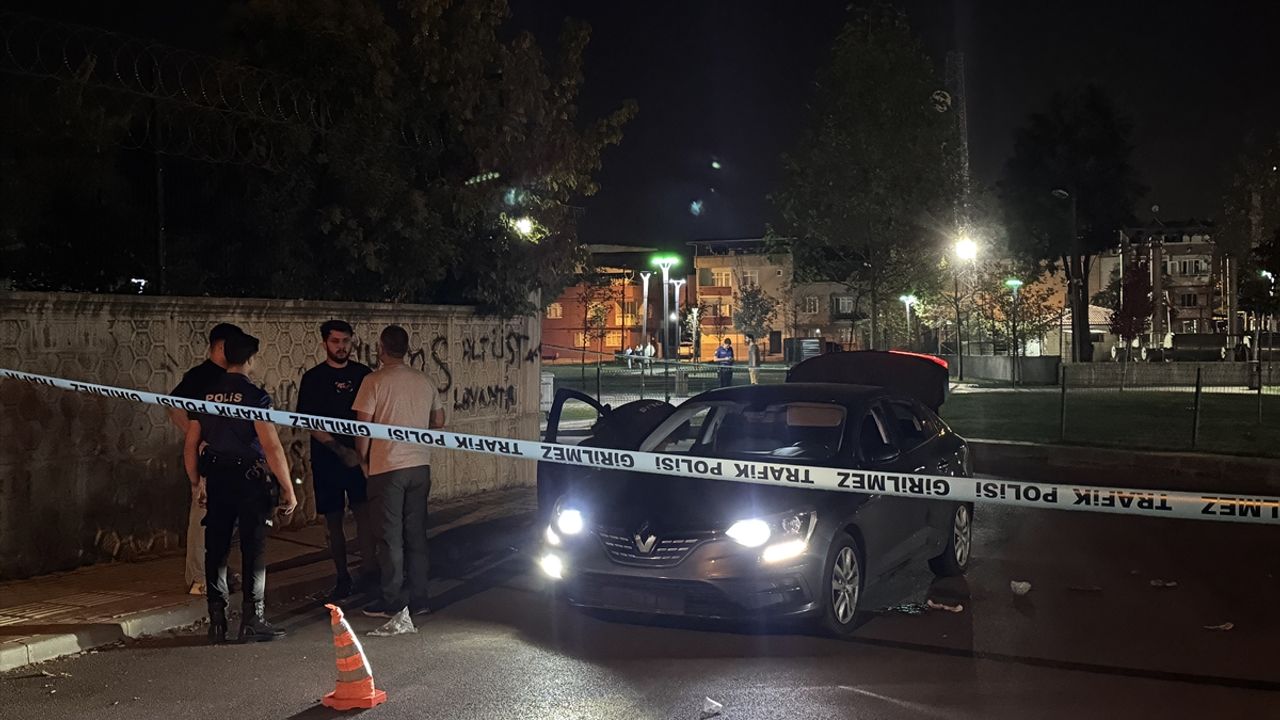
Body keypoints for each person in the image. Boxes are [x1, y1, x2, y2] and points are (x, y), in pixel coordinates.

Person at [183, 329, 298, 643]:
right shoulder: (254, 396)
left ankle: (217, 622)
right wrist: (288, 488)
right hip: (249, 481)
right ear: (250, 360)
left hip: (217, 479)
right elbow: (271, 447)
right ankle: (252, 619)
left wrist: (196, 482)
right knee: (253, 548)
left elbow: (190, 444)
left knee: (216, 550)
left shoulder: (205, 395)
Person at [354, 326, 445, 618]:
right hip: (419, 466)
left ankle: (391, 599)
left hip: (388, 467)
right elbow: (439, 421)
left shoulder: (373, 381)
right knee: (416, 535)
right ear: (406, 348)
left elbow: (363, 428)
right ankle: (420, 599)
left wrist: (363, 460)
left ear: (381, 348)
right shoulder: (424, 380)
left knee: (389, 537)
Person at [297, 320, 376, 601]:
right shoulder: (313, 378)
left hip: (360, 459)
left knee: (365, 516)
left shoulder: (364, 375)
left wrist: (362, 455)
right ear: (324, 343)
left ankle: (371, 573)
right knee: (333, 521)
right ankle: (342, 577)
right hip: (327, 460)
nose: (341, 347)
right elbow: (309, 421)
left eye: (345, 341)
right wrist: (340, 450)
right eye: (335, 341)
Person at [169, 322, 241, 596]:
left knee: (225, 520)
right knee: (203, 516)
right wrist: (197, 438)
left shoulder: (231, 376)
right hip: (209, 459)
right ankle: (199, 578)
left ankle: (218, 570)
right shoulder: (201, 376)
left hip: (230, 458)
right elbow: (174, 407)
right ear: (221, 346)